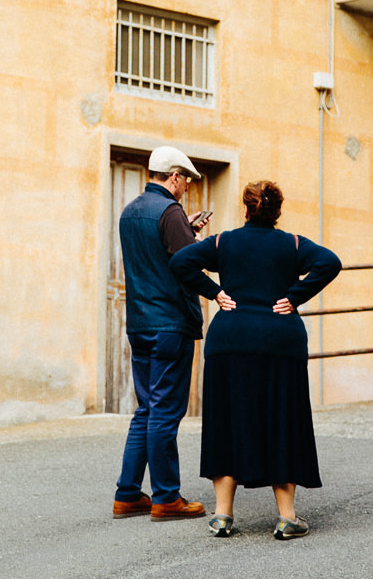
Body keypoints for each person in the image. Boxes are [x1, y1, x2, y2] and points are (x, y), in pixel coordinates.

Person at [171, 180, 341, 540]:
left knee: (227, 421)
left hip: (230, 339)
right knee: (283, 420)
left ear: (246, 210)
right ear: (276, 212)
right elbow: (330, 262)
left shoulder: (224, 241)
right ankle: (286, 517)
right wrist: (294, 297)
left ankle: (221, 515)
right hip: (281, 340)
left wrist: (215, 292)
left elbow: (181, 261)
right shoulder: (292, 243)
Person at [112, 146, 211, 521]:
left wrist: (188, 230)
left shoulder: (130, 211)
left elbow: (155, 256)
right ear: (174, 176)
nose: (186, 187)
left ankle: (127, 494)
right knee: (166, 411)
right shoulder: (170, 211)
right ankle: (167, 498)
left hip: (139, 322)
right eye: (185, 179)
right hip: (171, 322)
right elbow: (186, 266)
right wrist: (216, 292)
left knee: (147, 408)